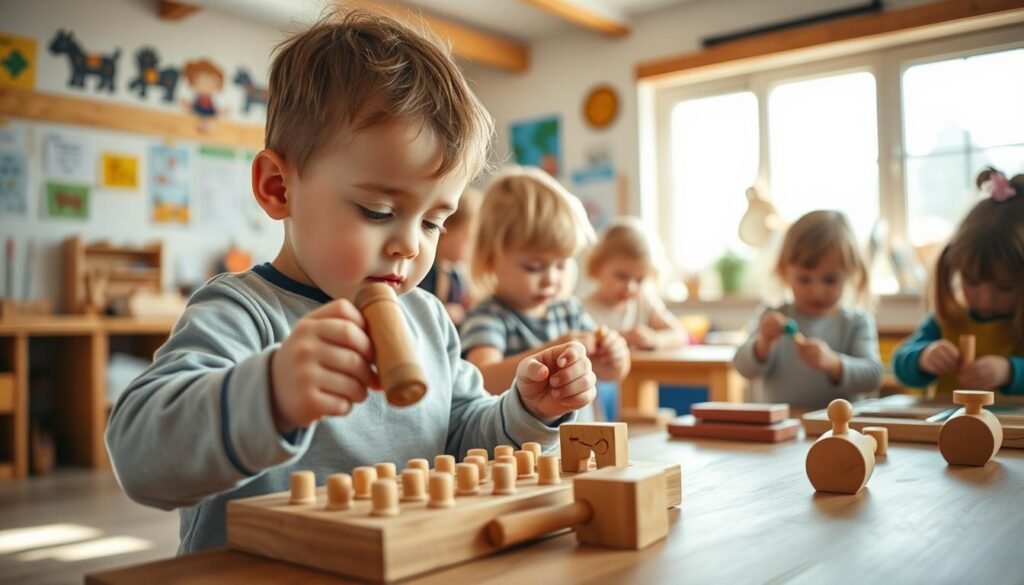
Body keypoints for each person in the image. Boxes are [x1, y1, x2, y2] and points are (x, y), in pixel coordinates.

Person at [106, 10, 596, 554]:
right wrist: (270, 394)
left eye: (435, 221)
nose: (411, 245)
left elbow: (461, 439)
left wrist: (527, 412)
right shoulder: (242, 312)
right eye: (378, 210)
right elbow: (138, 456)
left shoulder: (428, 321)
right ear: (277, 188)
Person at [459, 166, 630, 421]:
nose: (551, 278)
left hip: (583, 448)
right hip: (522, 454)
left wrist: (616, 356)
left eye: (561, 264)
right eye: (533, 267)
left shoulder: (570, 311)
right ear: (491, 260)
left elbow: (608, 372)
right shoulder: (488, 317)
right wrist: (551, 351)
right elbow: (483, 378)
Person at [892, 167, 1024, 395]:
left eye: (1005, 287)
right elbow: (900, 363)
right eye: (971, 282)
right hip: (947, 429)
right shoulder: (948, 318)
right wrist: (923, 357)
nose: (985, 299)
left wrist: (1010, 371)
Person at [732, 210, 883, 408]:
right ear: (785, 271)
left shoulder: (857, 322)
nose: (816, 291)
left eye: (830, 280)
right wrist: (763, 344)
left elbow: (873, 377)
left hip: (839, 433)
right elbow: (742, 367)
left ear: (850, 273)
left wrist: (834, 364)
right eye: (804, 279)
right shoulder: (773, 317)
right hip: (782, 431)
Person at [582, 217, 689, 350]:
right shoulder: (581, 310)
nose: (630, 287)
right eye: (622, 276)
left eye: (639, 280)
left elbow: (680, 334)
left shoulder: (643, 303)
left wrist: (655, 340)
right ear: (598, 266)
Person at [417, 186, 481, 325]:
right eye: (469, 239)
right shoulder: (425, 271)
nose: (473, 248)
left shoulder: (456, 274)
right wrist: (445, 312)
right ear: (445, 230)